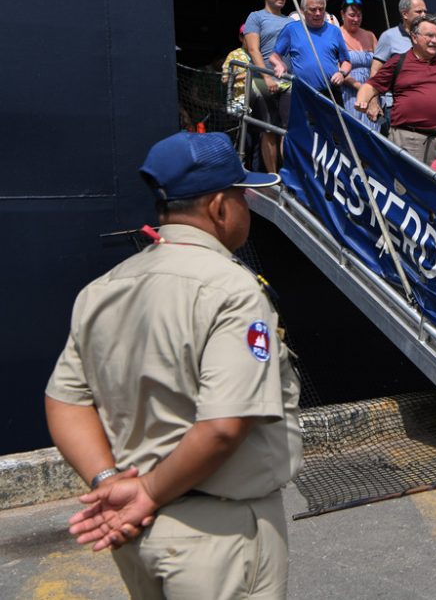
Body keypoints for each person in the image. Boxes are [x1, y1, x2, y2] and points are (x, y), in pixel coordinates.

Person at [44, 131, 304, 596]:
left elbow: (64, 401)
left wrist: (110, 480)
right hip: (218, 535)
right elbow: (224, 426)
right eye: (243, 196)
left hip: (136, 532)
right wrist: (148, 492)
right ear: (220, 208)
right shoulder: (233, 291)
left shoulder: (103, 289)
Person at [355, 14, 436, 164]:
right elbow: (371, 86)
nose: (435, 41)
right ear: (414, 37)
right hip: (409, 140)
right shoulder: (398, 62)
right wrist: (362, 101)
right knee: (407, 186)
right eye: (429, 36)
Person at [244, 0, 291, 173]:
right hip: (264, 79)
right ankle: (273, 176)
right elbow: (253, 50)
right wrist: (267, 77)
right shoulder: (256, 17)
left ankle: (288, 174)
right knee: (269, 130)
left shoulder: (290, 20)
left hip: (288, 81)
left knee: (287, 131)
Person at [270, 0, 351, 101]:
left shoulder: (334, 31)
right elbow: (274, 56)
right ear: (303, 11)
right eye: (313, 9)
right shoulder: (291, 29)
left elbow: (346, 61)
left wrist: (342, 73)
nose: (318, 13)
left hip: (331, 93)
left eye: (321, 9)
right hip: (303, 94)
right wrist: (279, 64)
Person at [367, 0, 428, 127]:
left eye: (425, 11)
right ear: (405, 14)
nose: (424, 15)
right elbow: (375, 71)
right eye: (419, 11)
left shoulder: (427, 38)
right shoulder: (389, 37)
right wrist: (372, 102)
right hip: (397, 108)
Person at [338, 0, 381, 131]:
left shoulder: (370, 35)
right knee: (355, 133)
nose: (356, 19)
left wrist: (372, 93)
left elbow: (380, 65)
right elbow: (337, 69)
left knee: (375, 135)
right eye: (352, 15)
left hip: (374, 93)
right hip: (350, 93)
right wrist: (362, 89)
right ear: (342, 14)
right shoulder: (336, 35)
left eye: (359, 15)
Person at [221, 24, 250, 115]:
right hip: (240, 99)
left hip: (261, 96)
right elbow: (224, 79)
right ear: (241, 38)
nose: (250, 39)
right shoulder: (233, 55)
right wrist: (247, 74)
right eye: (247, 36)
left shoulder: (263, 52)